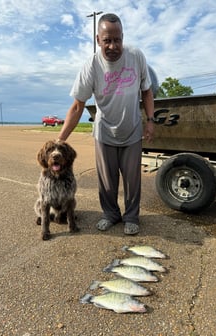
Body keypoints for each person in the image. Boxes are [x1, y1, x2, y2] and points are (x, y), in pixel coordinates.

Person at [58, 13, 155, 235]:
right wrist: (60, 140)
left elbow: (147, 91)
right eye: (107, 40)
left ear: (123, 37)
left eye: (117, 40)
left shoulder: (136, 56)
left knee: (132, 180)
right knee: (107, 181)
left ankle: (132, 217)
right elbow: (77, 106)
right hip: (104, 132)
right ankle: (110, 214)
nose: (112, 46)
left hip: (131, 130)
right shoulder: (91, 65)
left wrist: (150, 120)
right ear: (97, 39)